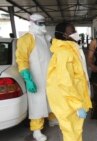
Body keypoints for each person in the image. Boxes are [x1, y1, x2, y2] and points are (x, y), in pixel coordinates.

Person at [46, 22, 92, 141]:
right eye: (73, 31)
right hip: (68, 100)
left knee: (75, 130)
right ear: (65, 35)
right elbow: (65, 81)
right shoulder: (64, 53)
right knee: (71, 131)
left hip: (72, 97)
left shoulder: (71, 49)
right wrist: (77, 105)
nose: (76, 33)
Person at [16, 13, 57, 141]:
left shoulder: (46, 37)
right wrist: (28, 79)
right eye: (40, 23)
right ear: (32, 23)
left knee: (51, 99)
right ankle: (36, 130)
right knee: (37, 103)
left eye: (44, 23)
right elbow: (21, 59)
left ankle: (52, 119)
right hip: (36, 78)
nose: (43, 26)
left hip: (49, 76)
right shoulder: (26, 39)